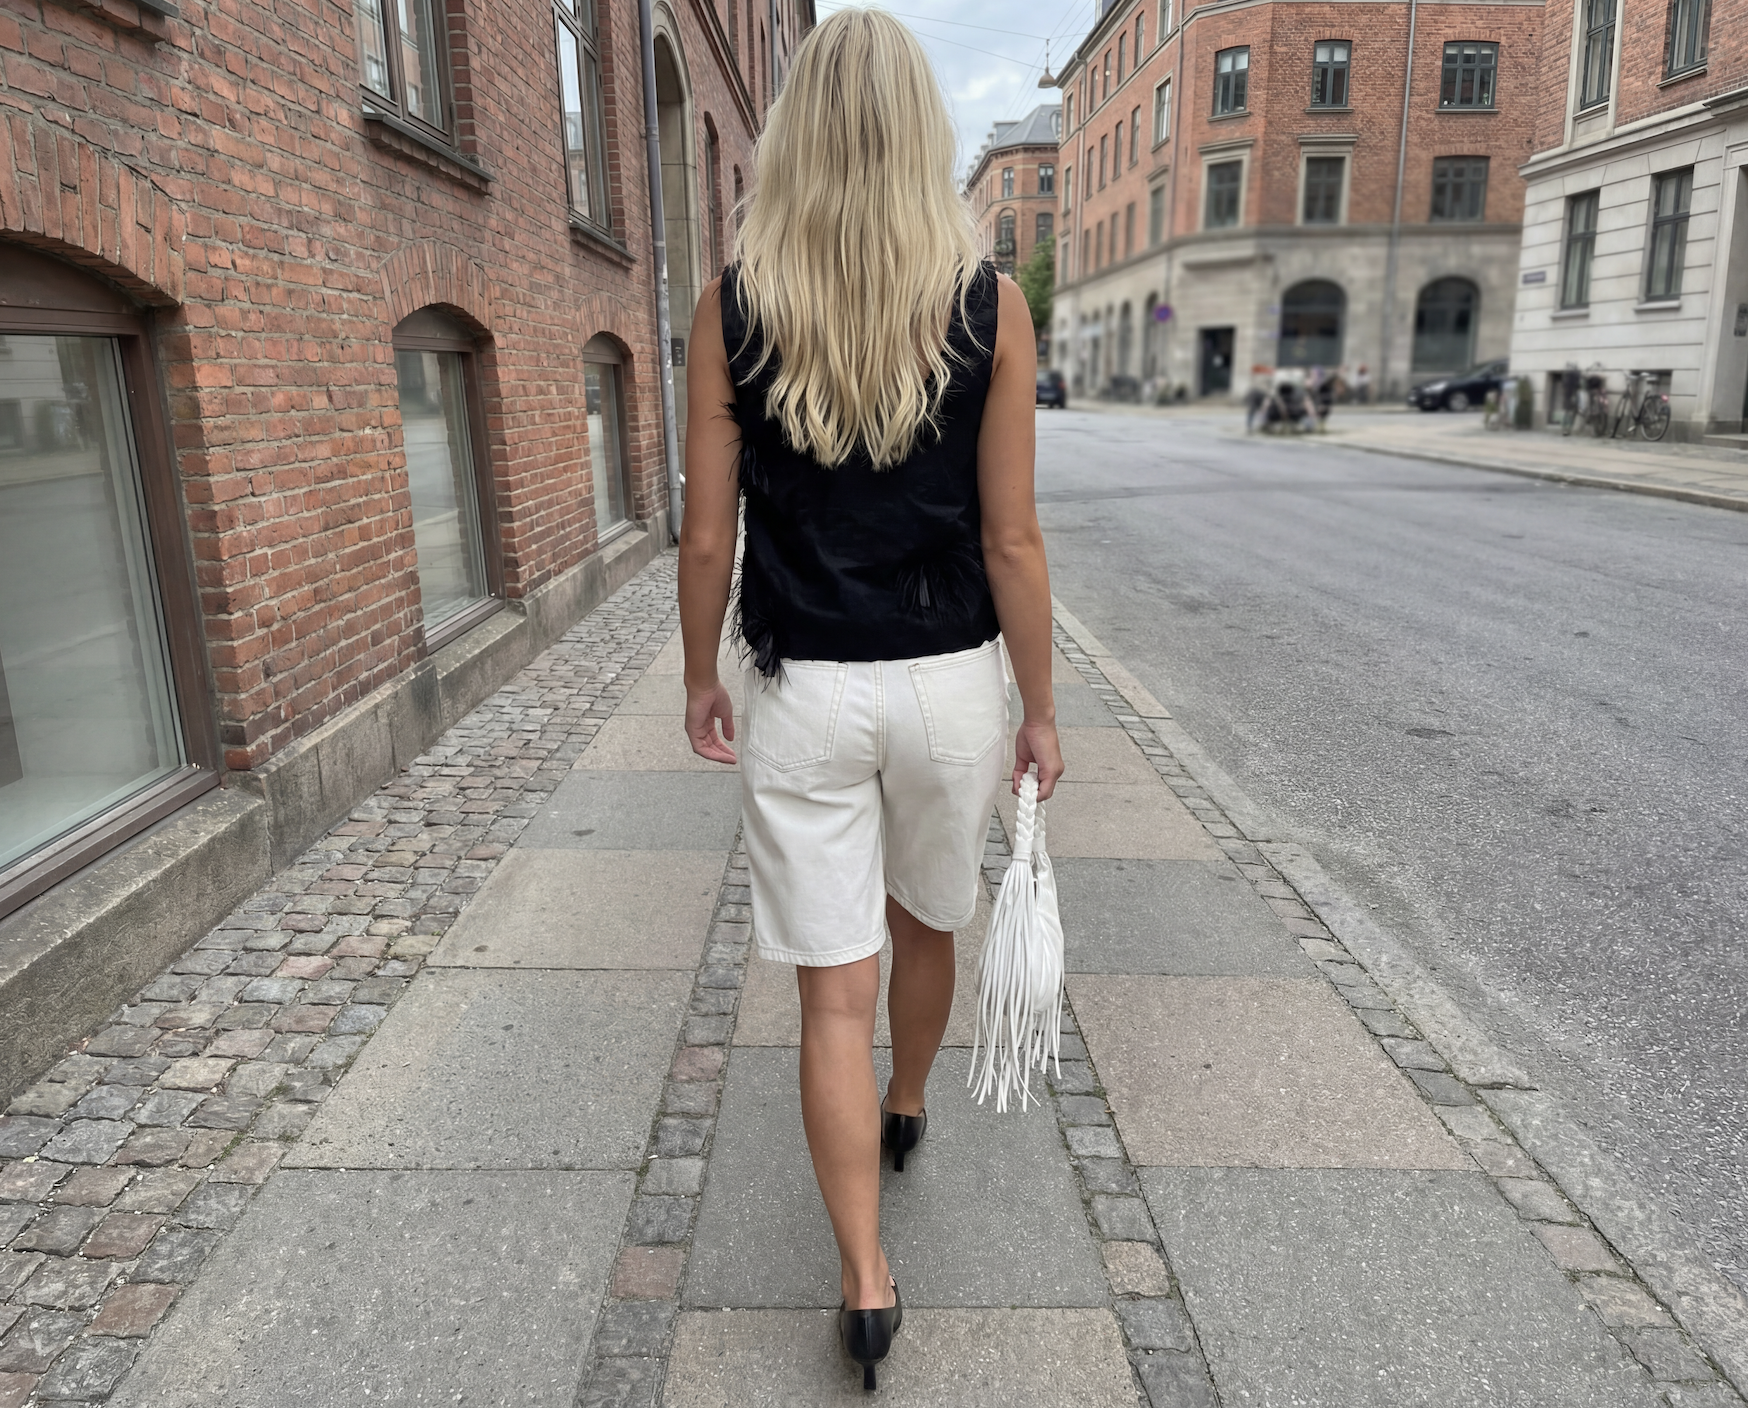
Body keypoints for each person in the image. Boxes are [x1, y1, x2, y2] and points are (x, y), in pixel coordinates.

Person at [674, 9, 1065, 1392]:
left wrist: (697, 673)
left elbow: (706, 537)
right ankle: (907, 1103)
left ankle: (864, 1281)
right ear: (919, 136)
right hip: (951, 683)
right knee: (927, 920)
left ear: (794, 138)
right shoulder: (990, 307)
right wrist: (1040, 709)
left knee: (829, 991)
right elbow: (1012, 538)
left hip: (802, 691)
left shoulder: (731, 308)